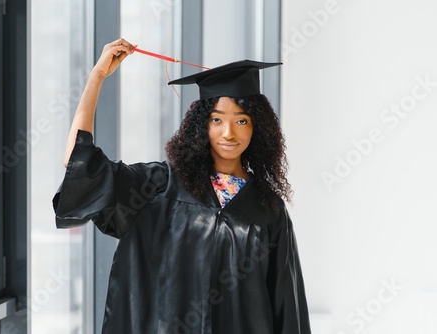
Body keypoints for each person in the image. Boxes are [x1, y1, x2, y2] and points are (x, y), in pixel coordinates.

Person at [53, 37, 312, 334]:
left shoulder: (269, 210)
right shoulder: (158, 187)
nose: (229, 132)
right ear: (202, 125)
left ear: (258, 128)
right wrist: (96, 78)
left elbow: (287, 310)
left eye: (242, 121)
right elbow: (79, 163)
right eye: (217, 119)